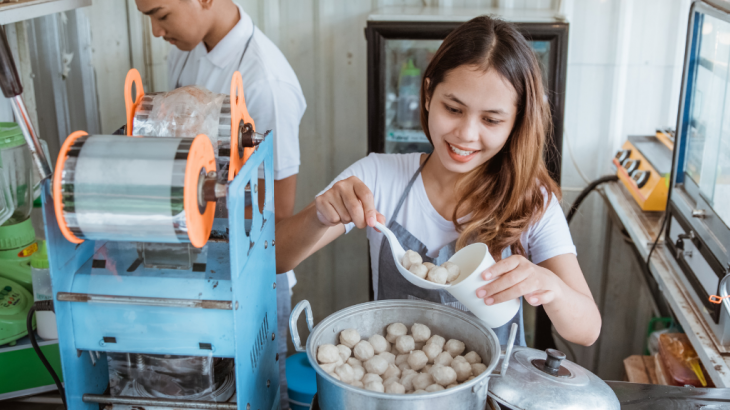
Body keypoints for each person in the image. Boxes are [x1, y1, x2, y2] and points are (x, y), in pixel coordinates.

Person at [276, 16, 601, 348]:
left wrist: (551, 287)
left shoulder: (531, 201)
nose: (466, 134)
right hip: (397, 389)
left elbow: (587, 330)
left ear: (515, 123)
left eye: (491, 119)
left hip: (490, 396)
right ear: (429, 95)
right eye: (454, 109)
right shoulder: (377, 177)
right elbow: (277, 259)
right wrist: (320, 216)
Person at [135, 0, 306, 407]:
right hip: (199, 256)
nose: (157, 32)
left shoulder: (264, 81)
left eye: (161, 15)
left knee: (257, 393)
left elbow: (276, 220)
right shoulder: (190, 49)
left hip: (252, 272)